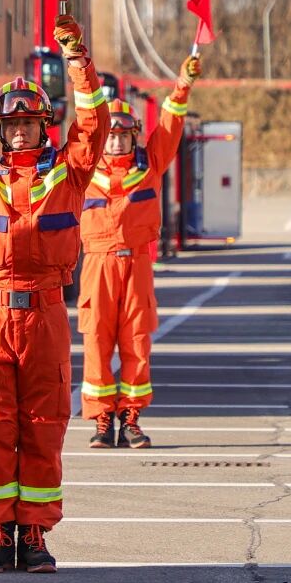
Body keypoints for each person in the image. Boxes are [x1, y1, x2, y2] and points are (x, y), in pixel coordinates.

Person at [0, 2, 107, 574]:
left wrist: (77, 57)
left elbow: (95, 122)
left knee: (44, 424)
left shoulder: (70, 173)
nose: (19, 132)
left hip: (44, 311)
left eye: (28, 123)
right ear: (0, 129)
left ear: (42, 125)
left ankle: (32, 532)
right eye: (10, 125)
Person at [77, 56, 202, 449]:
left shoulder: (149, 167)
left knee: (137, 341)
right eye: (110, 135)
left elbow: (170, 126)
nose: (116, 141)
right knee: (96, 341)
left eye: (124, 136)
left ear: (134, 138)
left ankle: (131, 418)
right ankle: (101, 420)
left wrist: (182, 84)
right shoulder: (83, 173)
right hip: (97, 264)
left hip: (137, 264)